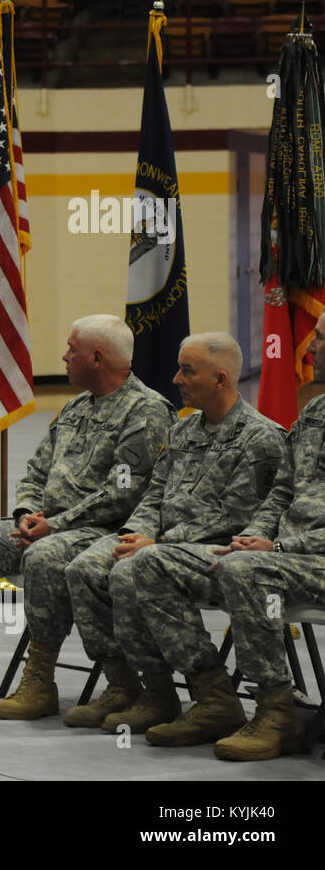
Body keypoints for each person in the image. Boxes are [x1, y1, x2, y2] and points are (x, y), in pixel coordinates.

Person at [0, 314, 175, 716]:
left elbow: (123, 493)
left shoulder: (146, 410)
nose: (64, 357)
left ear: (97, 357)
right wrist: (27, 512)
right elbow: (36, 470)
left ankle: (40, 678)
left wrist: (55, 525)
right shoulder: (75, 408)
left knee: (44, 557)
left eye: (72, 349)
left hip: (101, 531)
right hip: (44, 526)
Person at [64, 332, 288, 738]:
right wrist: (138, 532)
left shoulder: (261, 438)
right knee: (87, 566)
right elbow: (154, 494)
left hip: (223, 553)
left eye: (187, 371)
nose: (175, 379)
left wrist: (161, 543)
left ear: (221, 379)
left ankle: (213, 696)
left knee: (133, 569)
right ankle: (147, 690)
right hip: (162, 545)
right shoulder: (184, 433)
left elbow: (236, 516)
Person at [212, 326, 325, 760]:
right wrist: (256, 535)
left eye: (321, 337)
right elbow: (281, 491)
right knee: (165, 563)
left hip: (308, 557)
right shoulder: (315, 412)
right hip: (293, 557)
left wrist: (276, 551)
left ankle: (275, 712)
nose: (310, 346)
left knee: (245, 570)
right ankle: (210, 698)